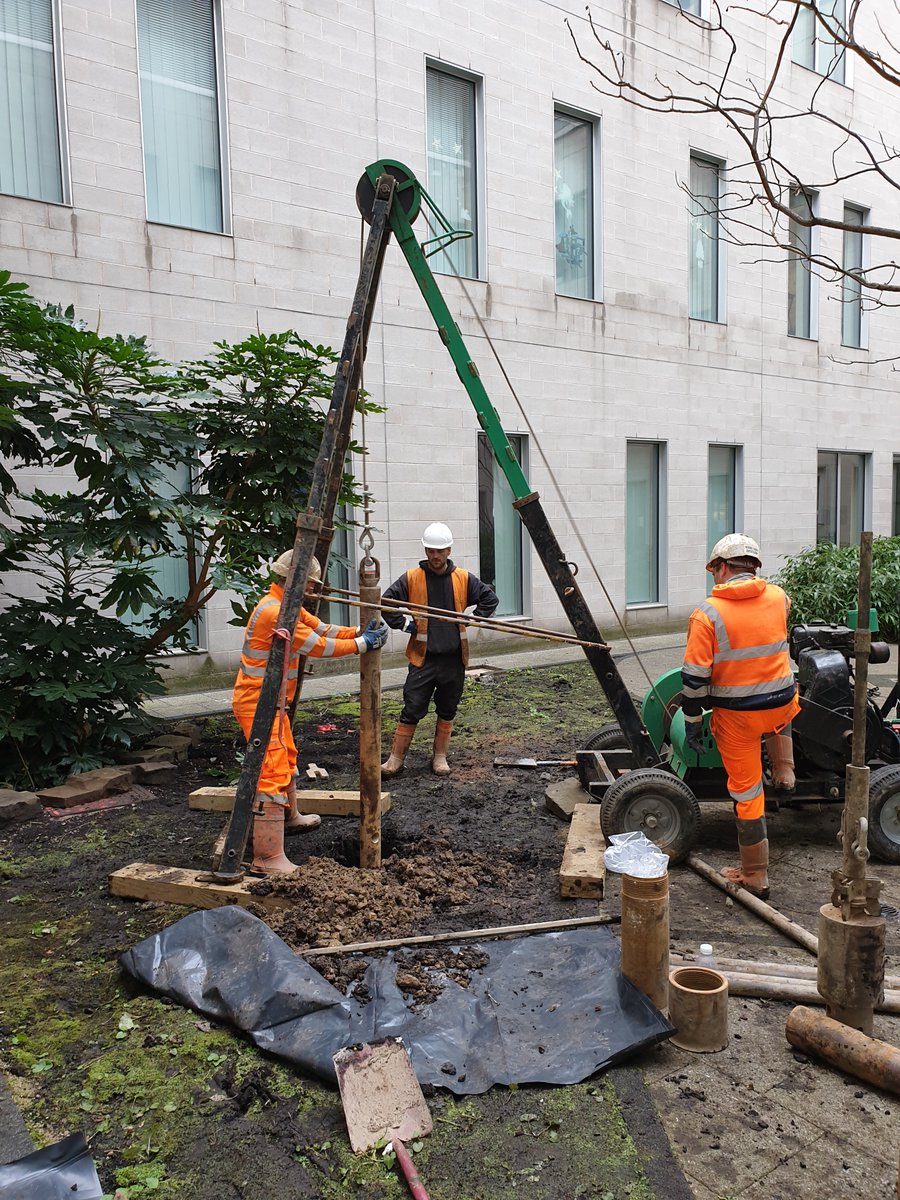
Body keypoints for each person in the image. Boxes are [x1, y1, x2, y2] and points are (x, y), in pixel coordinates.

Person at [232, 549, 388, 874]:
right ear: (295, 579)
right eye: (312, 583)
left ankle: (288, 818)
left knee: (286, 755)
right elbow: (319, 647)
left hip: (270, 702)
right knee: (272, 770)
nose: (316, 589)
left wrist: (358, 633)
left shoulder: (287, 606)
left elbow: (323, 630)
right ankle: (267, 858)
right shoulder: (276, 611)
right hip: (258, 703)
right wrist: (363, 644)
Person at [681, 534, 800, 899]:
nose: (713, 578)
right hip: (781, 706)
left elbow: (694, 680)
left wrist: (693, 722)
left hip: (739, 719)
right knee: (783, 710)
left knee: (748, 794)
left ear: (723, 567)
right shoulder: (780, 598)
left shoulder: (707, 614)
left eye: (714, 570)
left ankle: (755, 874)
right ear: (754, 567)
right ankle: (785, 771)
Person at [380, 522, 499, 776]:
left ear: (449, 550)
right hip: (424, 659)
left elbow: (490, 599)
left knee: (447, 708)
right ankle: (395, 760)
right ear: (425, 550)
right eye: (431, 550)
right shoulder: (412, 578)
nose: (435, 556)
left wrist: (473, 616)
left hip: (453, 659)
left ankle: (440, 758)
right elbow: (387, 603)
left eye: (440, 551)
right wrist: (405, 625)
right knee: (412, 707)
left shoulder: (463, 578)